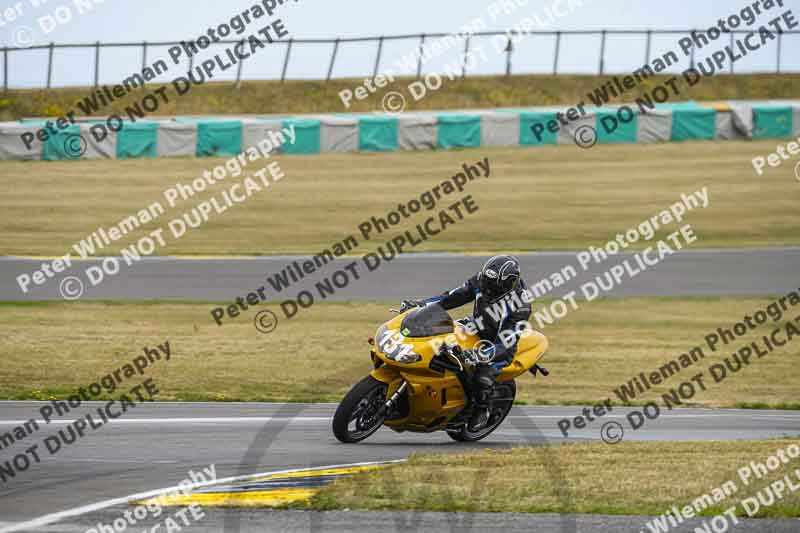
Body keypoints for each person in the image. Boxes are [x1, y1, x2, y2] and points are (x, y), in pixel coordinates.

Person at [401, 255, 532, 430]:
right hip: (475, 326)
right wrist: (421, 305)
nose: (488, 289)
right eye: (486, 283)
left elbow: (506, 342)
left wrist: (480, 354)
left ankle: (482, 410)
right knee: (436, 338)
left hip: (498, 344)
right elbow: (451, 298)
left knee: (481, 375)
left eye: (494, 287)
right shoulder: (481, 280)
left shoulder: (520, 305)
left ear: (509, 284)